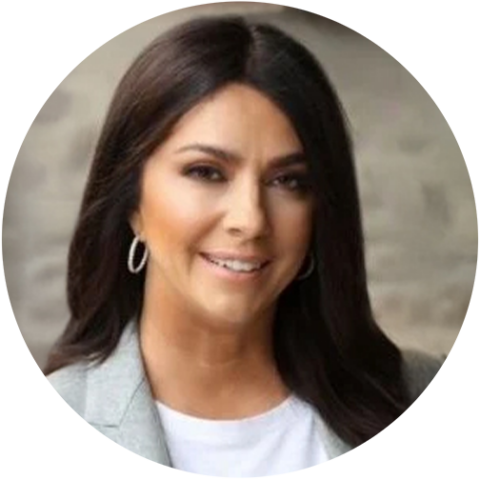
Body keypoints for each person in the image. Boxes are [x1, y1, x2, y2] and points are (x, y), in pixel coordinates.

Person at [44, 15, 446, 474]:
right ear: (132, 201)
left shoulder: (412, 391)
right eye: (206, 172)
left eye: (288, 181)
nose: (251, 220)